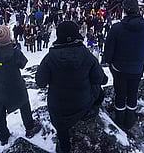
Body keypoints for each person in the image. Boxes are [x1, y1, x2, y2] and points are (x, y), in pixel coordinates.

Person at [36, 21, 108, 153]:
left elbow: (40, 82)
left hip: (59, 108)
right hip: (83, 103)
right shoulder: (86, 55)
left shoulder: (50, 57)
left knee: (61, 127)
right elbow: (99, 79)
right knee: (99, 91)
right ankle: (89, 112)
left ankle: (64, 146)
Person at [104, 0, 144, 130]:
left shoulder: (116, 28)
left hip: (119, 68)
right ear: (137, 10)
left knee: (120, 93)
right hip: (137, 68)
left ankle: (119, 120)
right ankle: (129, 120)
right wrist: (143, 62)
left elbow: (108, 51)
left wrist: (110, 63)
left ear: (125, 10)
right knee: (133, 93)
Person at [0, 25, 41, 145]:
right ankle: (29, 128)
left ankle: (3, 137)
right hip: (15, 86)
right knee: (24, 104)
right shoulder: (14, 52)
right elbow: (23, 63)